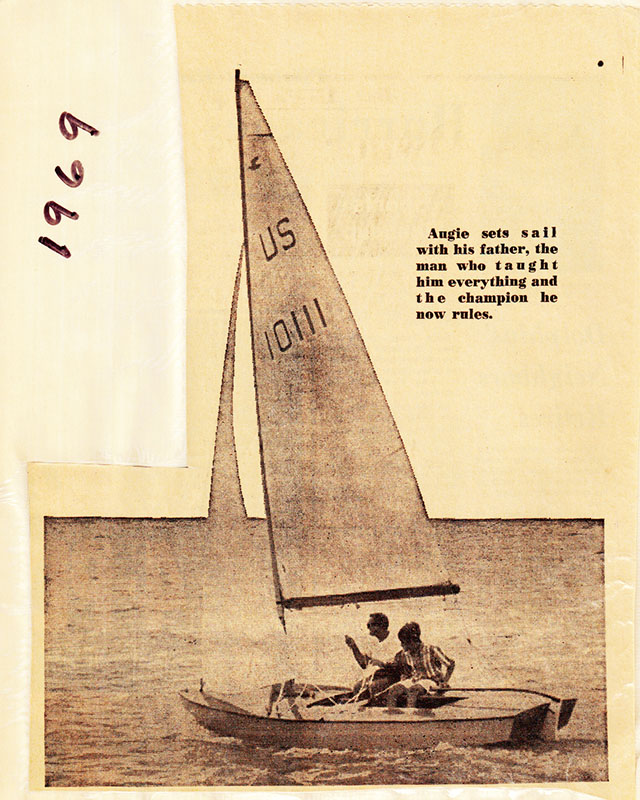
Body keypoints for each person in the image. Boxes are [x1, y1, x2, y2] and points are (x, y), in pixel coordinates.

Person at [387, 621, 455, 709]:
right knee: (393, 690)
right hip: (416, 680)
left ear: (412, 641)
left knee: (413, 691)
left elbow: (450, 664)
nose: (402, 645)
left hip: (431, 681)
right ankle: (391, 715)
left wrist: (445, 682)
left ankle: (410, 715)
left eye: (404, 642)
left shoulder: (431, 649)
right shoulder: (406, 653)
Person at [344, 612, 399, 701]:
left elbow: (398, 666)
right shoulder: (373, 643)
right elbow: (363, 664)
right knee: (357, 687)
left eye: (370, 625)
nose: (368, 628)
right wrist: (353, 646)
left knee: (374, 687)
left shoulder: (395, 641)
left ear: (380, 626)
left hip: (391, 676)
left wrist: (382, 664)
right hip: (376, 676)